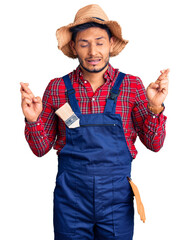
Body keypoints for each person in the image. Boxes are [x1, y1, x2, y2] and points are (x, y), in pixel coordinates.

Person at [20, 4, 169, 240]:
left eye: (99, 42)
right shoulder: (57, 88)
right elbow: (40, 149)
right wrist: (32, 120)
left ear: (111, 43)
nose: (93, 52)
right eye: (84, 43)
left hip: (117, 200)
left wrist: (155, 106)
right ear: (73, 46)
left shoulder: (131, 86)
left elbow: (155, 143)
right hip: (71, 200)